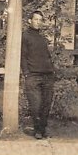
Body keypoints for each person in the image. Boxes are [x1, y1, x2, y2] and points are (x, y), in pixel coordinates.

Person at [21, 10, 55, 139]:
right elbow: (22, 56)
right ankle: (37, 130)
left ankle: (42, 129)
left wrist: (51, 71)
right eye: (36, 19)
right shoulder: (24, 36)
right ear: (30, 21)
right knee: (36, 105)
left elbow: (47, 56)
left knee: (46, 104)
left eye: (40, 20)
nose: (38, 22)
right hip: (33, 76)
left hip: (47, 76)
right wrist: (26, 73)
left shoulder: (42, 38)